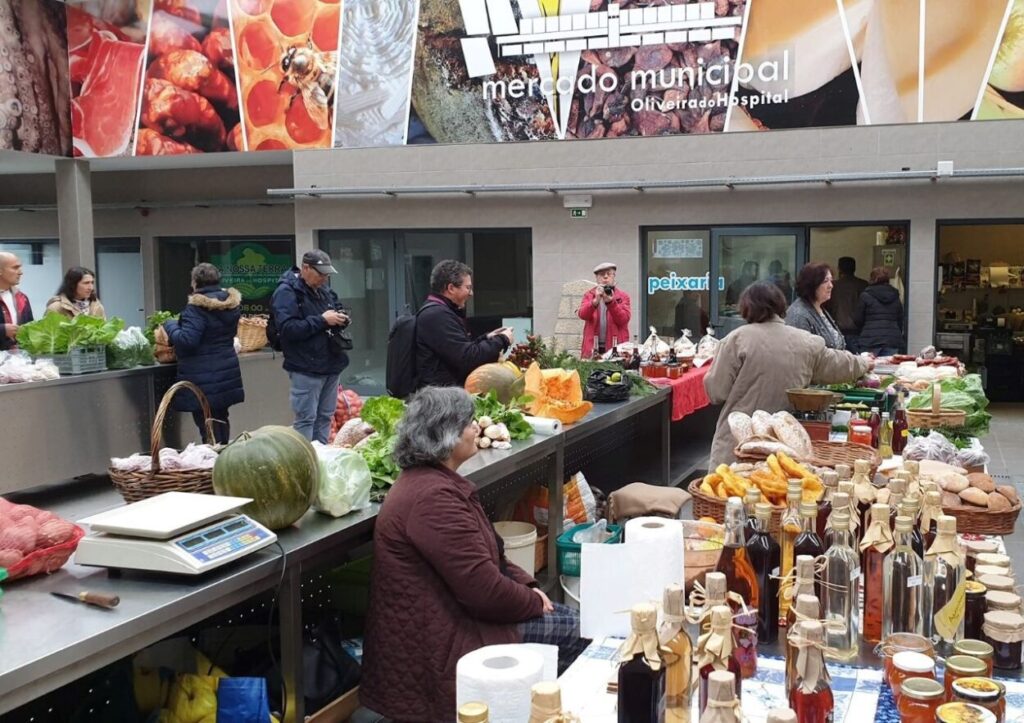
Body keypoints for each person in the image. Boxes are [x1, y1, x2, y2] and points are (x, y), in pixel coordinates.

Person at [360, 386, 588, 721]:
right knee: (583, 633)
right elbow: (483, 591)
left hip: (457, 622)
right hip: (445, 641)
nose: (476, 429)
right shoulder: (431, 498)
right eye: (469, 424)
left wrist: (528, 586)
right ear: (448, 436)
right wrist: (532, 602)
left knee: (578, 624)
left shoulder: (435, 483)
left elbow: (491, 555)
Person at [705, 282, 871, 465]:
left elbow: (716, 392)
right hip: (788, 444)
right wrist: (864, 363)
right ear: (780, 305)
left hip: (739, 444)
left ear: (746, 307)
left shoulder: (736, 339)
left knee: (728, 490)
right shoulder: (807, 342)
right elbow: (838, 364)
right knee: (785, 491)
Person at [271, 250, 351, 443]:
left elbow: (335, 307)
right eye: (320, 273)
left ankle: (320, 459)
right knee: (306, 419)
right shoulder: (286, 292)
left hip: (331, 362)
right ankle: (305, 463)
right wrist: (322, 320)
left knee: (325, 417)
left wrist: (341, 318)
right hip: (305, 367)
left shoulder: (323, 290)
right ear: (305, 268)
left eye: (327, 274)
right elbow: (288, 329)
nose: (324, 278)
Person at [162, 263, 244, 445]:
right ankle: (224, 458)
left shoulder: (196, 309)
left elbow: (187, 341)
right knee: (221, 417)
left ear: (194, 282)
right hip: (226, 371)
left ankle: (212, 463)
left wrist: (170, 325)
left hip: (203, 375)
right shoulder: (231, 305)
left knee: (206, 422)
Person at [415, 260, 512, 389]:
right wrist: (502, 340)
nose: (471, 293)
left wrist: (487, 338)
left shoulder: (441, 312)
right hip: (442, 398)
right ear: (451, 288)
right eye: (468, 287)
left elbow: (460, 349)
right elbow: (467, 359)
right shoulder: (437, 316)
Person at [786, 261, 845, 349]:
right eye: (825, 281)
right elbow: (804, 354)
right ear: (811, 284)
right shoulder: (799, 315)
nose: (831, 285)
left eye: (831, 281)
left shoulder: (820, 308)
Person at [578, 261, 631, 357]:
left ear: (614, 276)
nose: (605, 277)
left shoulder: (623, 296)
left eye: (609, 274)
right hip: (593, 347)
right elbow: (582, 315)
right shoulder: (589, 295)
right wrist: (595, 302)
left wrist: (611, 303)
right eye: (602, 274)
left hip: (616, 348)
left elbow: (623, 320)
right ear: (597, 278)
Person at [854, 266, 905, 357]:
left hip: (870, 340)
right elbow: (900, 319)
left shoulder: (865, 295)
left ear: (872, 279)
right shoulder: (895, 296)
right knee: (890, 368)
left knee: (869, 368)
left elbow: (858, 319)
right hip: (891, 339)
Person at [825, 256, 868, 352]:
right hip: (858, 331)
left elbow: (827, 307)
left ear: (839, 269)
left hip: (837, 329)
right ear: (854, 268)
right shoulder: (863, 285)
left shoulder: (833, 286)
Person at [0, 252, 33, 352]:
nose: (20, 272)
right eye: (15, 268)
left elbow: (30, 327)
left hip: (18, 361)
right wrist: (2, 330)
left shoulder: (22, 298)